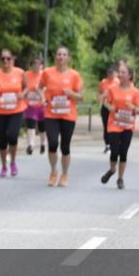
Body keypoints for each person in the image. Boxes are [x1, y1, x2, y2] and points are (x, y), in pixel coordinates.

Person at [39, 46, 84, 187]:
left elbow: (81, 97)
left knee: (65, 147)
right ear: (55, 57)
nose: (61, 57)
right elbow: (40, 87)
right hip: (51, 114)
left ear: (68, 58)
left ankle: (64, 174)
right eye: (59, 54)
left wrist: (71, 93)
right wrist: (42, 97)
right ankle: (53, 171)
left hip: (68, 115)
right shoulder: (47, 72)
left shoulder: (74, 75)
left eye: (64, 55)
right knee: (52, 144)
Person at [102, 60, 139, 190]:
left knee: (123, 152)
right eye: (119, 72)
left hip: (128, 126)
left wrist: (133, 108)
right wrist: (110, 107)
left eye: (123, 72)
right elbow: (105, 102)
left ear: (129, 75)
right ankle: (112, 170)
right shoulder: (112, 89)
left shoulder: (135, 92)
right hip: (114, 124)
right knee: (114, 152)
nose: (120, 74)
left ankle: (120, 178)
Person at [0, 49, 27, 177]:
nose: (5, 61)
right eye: (3, 58)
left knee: (13, 136)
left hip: (16, 110)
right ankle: (4, 165)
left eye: (8, 58)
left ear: (13, 59)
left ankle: (13, 161)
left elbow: (27, 87)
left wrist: (23, 94)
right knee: (2, 140)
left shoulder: (20, 72)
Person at [24, 56, 47, 156]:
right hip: (30, 104)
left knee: (42, 127)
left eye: (39, 63)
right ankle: (30, 145)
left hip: (42, 105)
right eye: (35, 63)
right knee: (31, 125)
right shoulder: (27, 74)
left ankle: (43, 144)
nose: (37, 65)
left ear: (42, 65)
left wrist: (41, 91)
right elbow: (22, 86)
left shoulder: (45, 75)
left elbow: (50, 88)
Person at [98, 67, 119, 153]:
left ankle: (115, 144)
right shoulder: (103, 82)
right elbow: (99, 95)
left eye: (112, 74)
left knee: (115, 126)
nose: (110, 76)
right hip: (106, 106)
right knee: (106, 126)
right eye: (109, 74)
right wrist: (103, 95)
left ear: (116, 74)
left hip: (115, 107)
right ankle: (107, 145)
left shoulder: (118, 82)